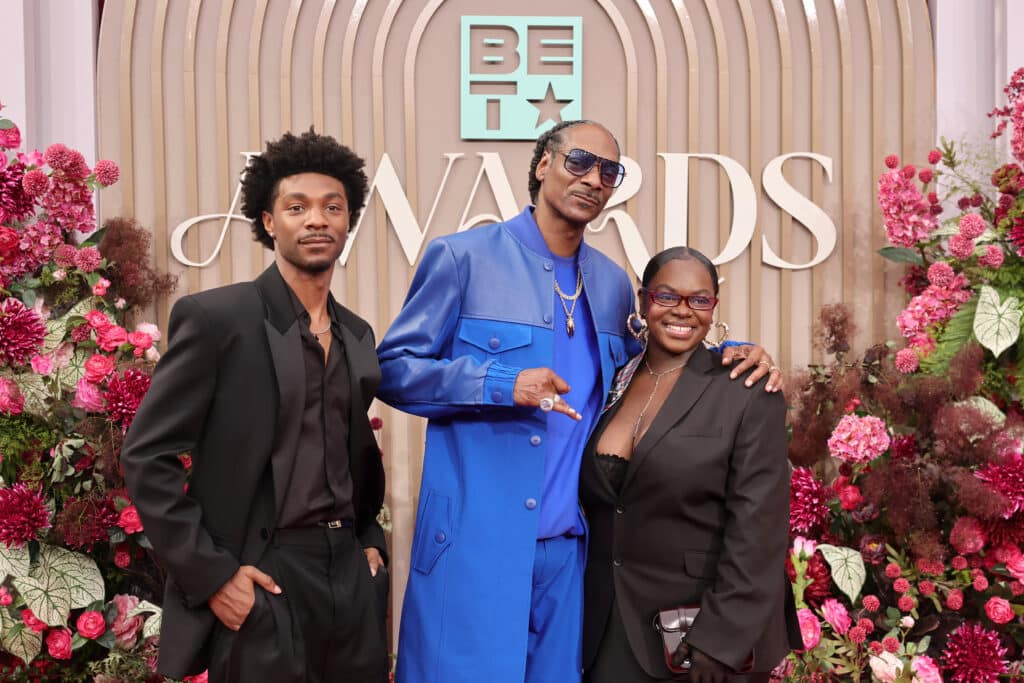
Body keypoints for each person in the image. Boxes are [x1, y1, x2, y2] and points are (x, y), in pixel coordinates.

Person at [376, 120, 782, 682]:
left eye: (608, 171)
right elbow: (393, 370)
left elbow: (656, 360)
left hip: (572, 560)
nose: (593, 179)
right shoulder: (462, 258)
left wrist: (732, 353)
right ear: (543, 163)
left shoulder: (613, 284)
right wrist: (500, 383)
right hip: (473, 548)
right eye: (579, 162)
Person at [121, 130, 389, 682]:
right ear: (269, 222)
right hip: (266, 576)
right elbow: (147, 455)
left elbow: (349, 450)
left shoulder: (358, 335)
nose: (317, 219)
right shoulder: (219, 320)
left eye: (332, 207)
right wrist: (214, 577)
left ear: (348, 220)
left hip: (348, 577)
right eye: (297, 207)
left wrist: (367, 541)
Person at [580, 246, 801, 683]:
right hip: (610, 628)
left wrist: (719, 641)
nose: (684, 311)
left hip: (702, 637)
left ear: (714, 307)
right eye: (667, 296)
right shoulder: (611, 382)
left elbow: (758, 531)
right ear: (644, 301)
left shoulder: (747, 390)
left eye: (700, 299)